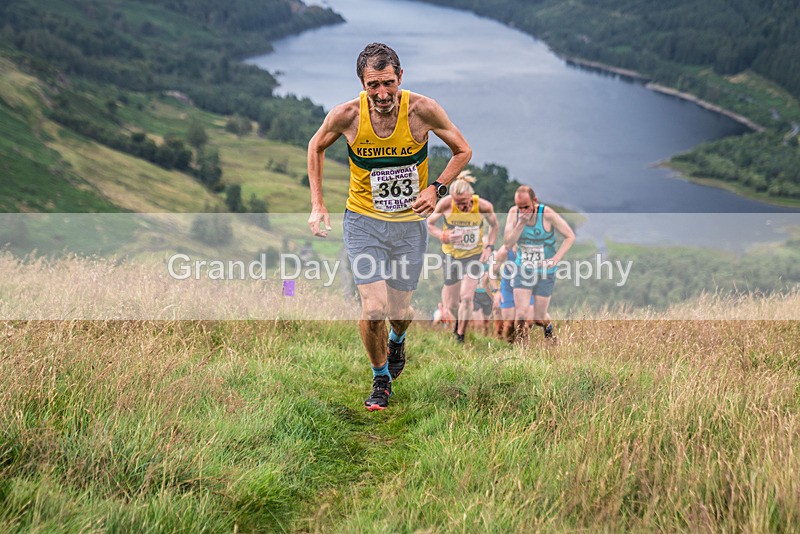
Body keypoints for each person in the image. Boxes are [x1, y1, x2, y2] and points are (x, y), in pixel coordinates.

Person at [307, 43, 471, 411]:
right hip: (363, 221)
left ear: (400, 77)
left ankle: (397, 340)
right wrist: (318, 203)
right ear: (362, 84)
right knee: (373, 308)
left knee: (400, 312)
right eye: (373, 85)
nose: (382, 94)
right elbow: (315, 146)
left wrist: (436, 188)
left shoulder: (422, 110)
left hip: (409, 226)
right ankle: (381, 378)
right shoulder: (347, 115)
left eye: (388, 83)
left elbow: (463, 150)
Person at [427, 172, 499, 343]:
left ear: (471, 197)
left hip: (473, 256)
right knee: (452, 304)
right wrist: (443, 235)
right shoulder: (446, 204)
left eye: (464, 203)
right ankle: (458, 322)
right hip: (451, 256)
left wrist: (489, 247)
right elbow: (429, 223)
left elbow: (494, 226)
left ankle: (460, 335)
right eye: (457, 203)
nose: (461, 207)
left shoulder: (483, 206)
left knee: (466, 298)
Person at [503, 185, 575, 344]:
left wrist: (555, 259)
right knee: (521, 314)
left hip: (545, 272)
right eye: (520, 207)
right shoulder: (514, 214)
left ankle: (549, 331)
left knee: (539, 316)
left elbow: (570, 236)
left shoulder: (546, 214)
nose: (523, 211)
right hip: (523, 269)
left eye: (526, 207)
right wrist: (520, 224)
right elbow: (508, 243)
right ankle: (523, 352)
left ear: (534, 201)